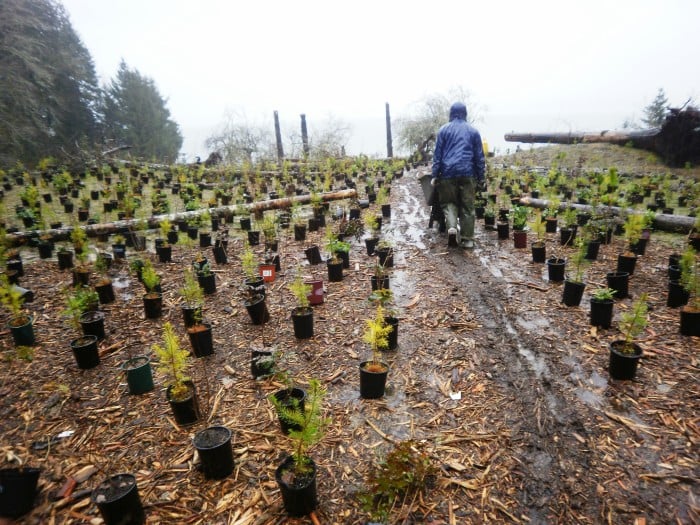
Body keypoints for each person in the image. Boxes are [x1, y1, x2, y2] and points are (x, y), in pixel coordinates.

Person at [431, 102, 486, 249]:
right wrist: (481, 178)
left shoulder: (443, 130)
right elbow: (479, 157)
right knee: (468, 206)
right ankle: (467, 240)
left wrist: (434, 174)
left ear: (451, 114)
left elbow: (437, 155)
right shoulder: (474, 132)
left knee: (449, 203)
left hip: (447, 174)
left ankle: (452, 228)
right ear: (465, 114)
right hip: (468, 173)